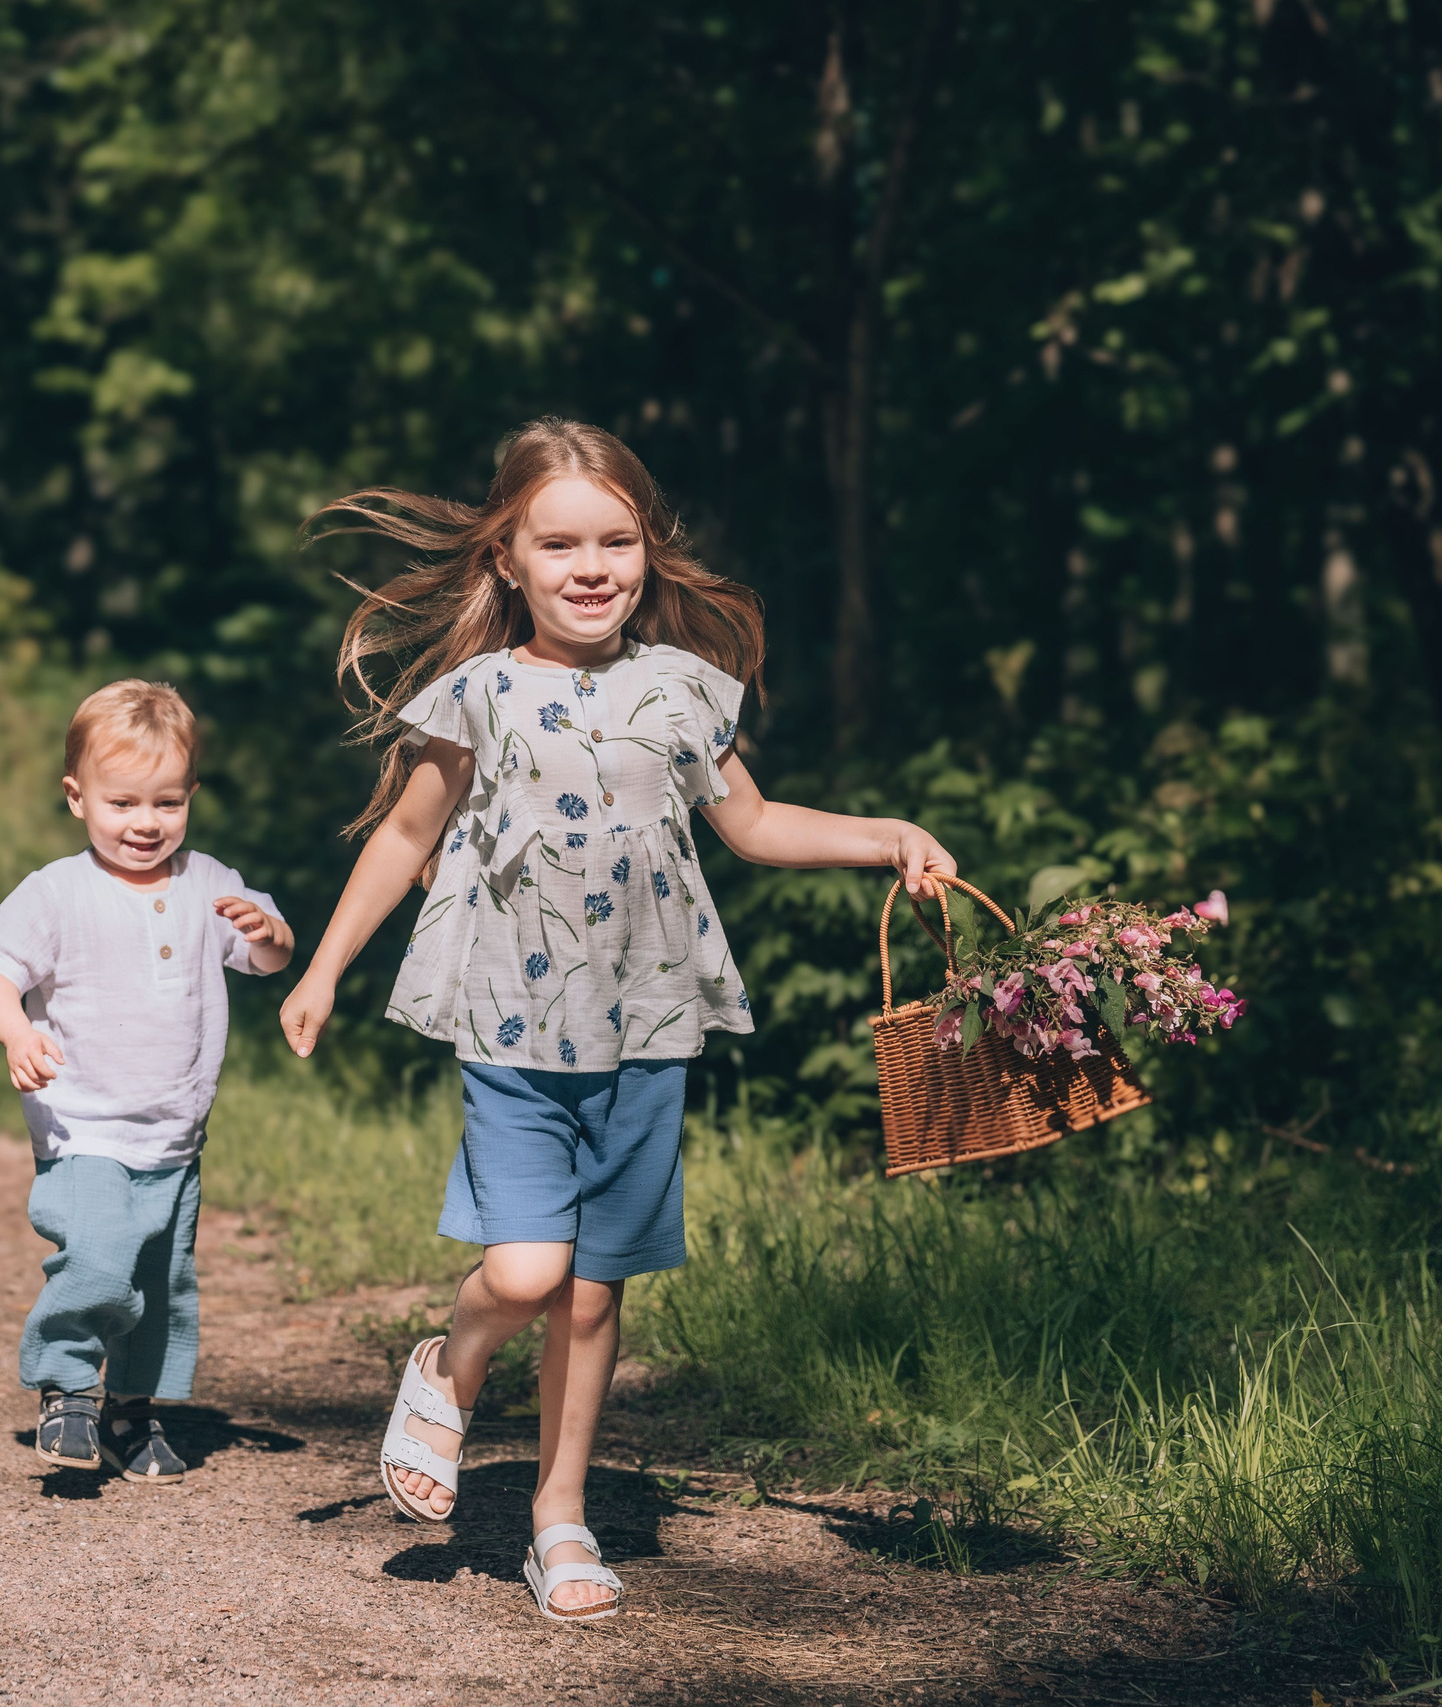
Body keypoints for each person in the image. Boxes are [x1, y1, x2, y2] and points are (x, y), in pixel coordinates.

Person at [278, 418, 953, 1620]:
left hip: (648, 1023)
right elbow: (404, 837)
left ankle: (559, 1518)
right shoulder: (478, 692)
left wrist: (884, 838)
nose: (591, 567)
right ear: (507, 559)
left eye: (616, 541)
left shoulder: (683, 688)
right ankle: (450, 1364)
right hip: (513, 1023)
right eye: (560, 545)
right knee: (528, 1269)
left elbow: (750, 825)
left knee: (593, 1293)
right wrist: (323, 969)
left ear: (649, 549)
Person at [0, 679, 293, 1479]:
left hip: (174, 1130)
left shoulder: (211, 881)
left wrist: (273, 930)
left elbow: (268, 958)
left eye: (167, 803)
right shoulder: (56, 890)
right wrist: (15, 1033)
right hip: (83, 1123)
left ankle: (132, 1411)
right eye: (123, 803)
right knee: (102, 1257)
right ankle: (68, 1385)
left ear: (191, 797)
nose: (146, 823)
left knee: (161, 1283)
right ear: (77, 797)